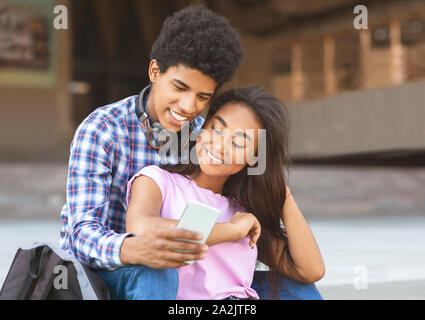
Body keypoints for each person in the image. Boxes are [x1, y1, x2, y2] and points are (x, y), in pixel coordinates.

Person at [59, 5, 323, 300]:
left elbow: (305, 267)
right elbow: (80, 234)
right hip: (114, 272)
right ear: (155, 71)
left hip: (193, 276)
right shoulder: (102, 129)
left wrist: (273, 179)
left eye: (202, 97)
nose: (188, 106)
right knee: (155, 269)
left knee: (295, 289)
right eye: (179, 87)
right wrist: (137, 247)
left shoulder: (205, 138)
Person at [97, 86, 325, 300]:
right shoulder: (158, 181)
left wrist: (279, 189)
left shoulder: (244, 213)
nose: (219, 145)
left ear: (254, 158)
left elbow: (310, 270)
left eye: (238, 142)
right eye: (216, 129)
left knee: (298, 289)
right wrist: (231, 230)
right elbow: (141, 229)